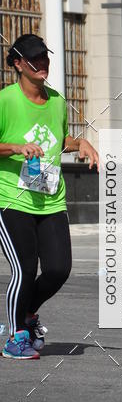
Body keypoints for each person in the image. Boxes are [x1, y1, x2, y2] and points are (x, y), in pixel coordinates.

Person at [0, 34, 99, 359]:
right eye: (34, 59)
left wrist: (80, 143)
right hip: (12, 200)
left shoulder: (57, 101)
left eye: (45, 57)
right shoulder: (6, 101)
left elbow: (58, 138)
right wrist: (15, 147)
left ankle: (26, 313)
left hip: (51, 199)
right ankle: (16, 337)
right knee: (25, 269)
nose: (42, 64)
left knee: (59, 269)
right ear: (17, 64)